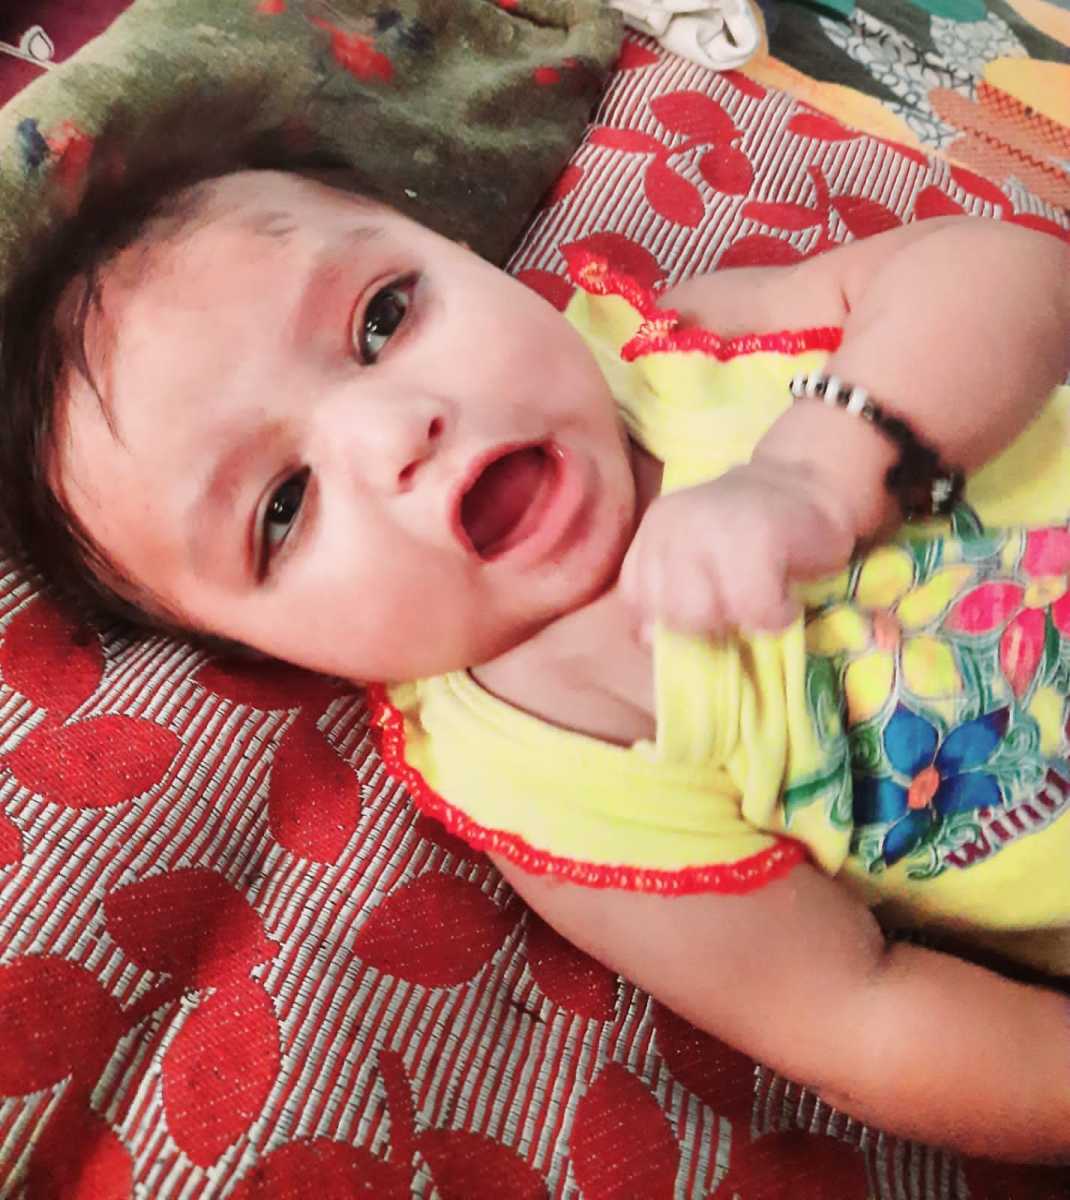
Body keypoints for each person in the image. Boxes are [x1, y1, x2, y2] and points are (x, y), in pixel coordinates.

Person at [2, 124, 1070, 1163]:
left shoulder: (680, 348)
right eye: (282, 507)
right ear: (270, 652)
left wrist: (818, 468)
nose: (396, 428)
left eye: (382, 318)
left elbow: (1007, 272)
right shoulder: (547, 767)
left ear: (463, 253)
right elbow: (858, 1019)